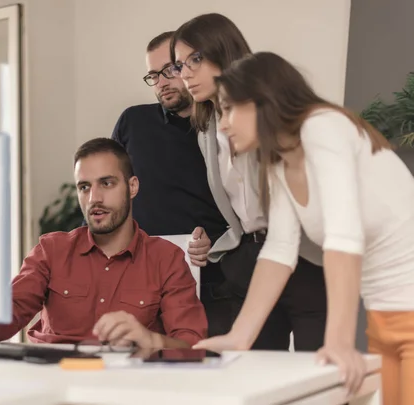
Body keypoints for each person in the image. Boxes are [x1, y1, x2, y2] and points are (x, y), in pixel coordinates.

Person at [194, 51, 414, 403]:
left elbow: (345, 233)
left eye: (229, 108)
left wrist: (339, 341)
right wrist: (240, 336)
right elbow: (280, 251)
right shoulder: (281, 162)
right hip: (384, 316)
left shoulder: (323, 126)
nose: (222, 124)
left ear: (262, 100)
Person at [169, 13, 327, 351]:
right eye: (180, 65)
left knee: (319, 380)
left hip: (305, 258)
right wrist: (220, 248)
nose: (186, 74)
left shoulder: (274, 110)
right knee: (255, 375)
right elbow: (238, 209)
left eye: (196, 58)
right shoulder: (207, 132)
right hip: (253, 261)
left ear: (224, 50)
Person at [0, 138, 207, 349]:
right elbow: (4, 318)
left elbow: (192, 344)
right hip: (53, 380)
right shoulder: (51, 251)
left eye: (106, 183)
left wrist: (151, 340)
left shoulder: (166, 259)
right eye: (84, 187)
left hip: (126, 386)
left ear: (132, 187)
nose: (94, 198)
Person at [110, 31, 233, 337]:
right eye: (153, 75)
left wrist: (215, 241)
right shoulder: (133, 122)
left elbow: (244, 206)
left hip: (209, 282)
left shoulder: (226, 127)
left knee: (209, 373)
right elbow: (109, 189)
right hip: (137, 282)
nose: (162, 82)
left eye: (170, 70)